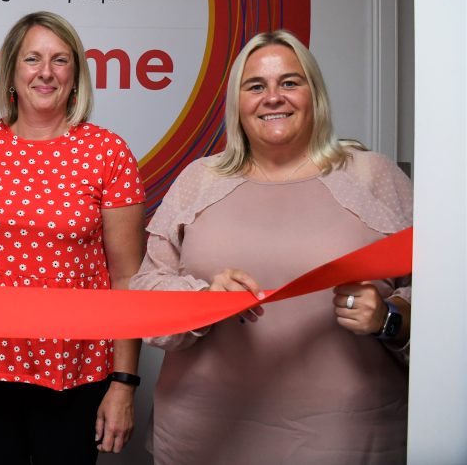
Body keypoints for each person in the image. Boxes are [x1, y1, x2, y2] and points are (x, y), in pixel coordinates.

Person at [131, 29, 412, 465]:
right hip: (205, 434)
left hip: (346, 435)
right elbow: (144, 294)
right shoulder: (199, 180)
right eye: (256, 86)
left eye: (290, 82)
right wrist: (204, 302)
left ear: (313, 93)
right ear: (237, 103)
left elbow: (448, 297)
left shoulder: (372, 176)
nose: (273, 97)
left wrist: (390, 316)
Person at [0, 11, 146, 463]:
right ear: (11, 70)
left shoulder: (108, 152)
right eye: (32, 58)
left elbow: (127, 278)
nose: (45, 72)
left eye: (59, 60)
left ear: (75, 75)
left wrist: (124, 384)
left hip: (76, 365)